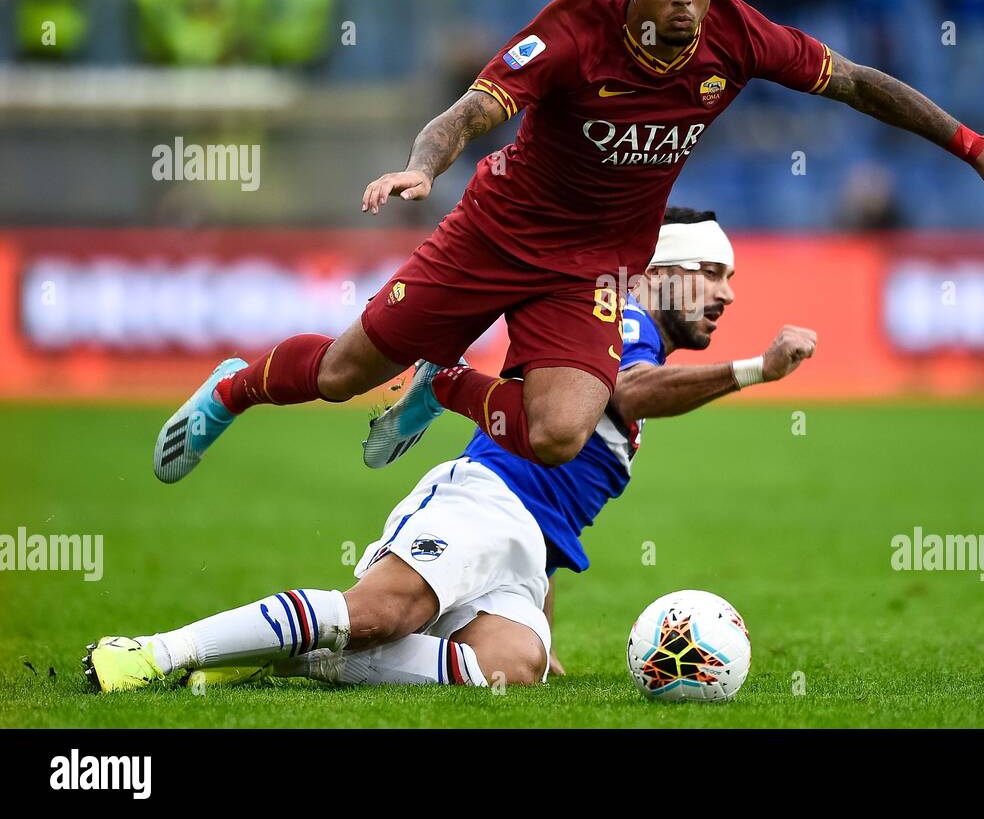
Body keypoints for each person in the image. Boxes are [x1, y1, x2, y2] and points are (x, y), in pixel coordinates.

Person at [152, 0, 984, 486]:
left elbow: (860, 82)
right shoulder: (573, 31)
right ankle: (233, 390)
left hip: (591, 264)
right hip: (493, 234)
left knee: (561, 433)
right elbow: (471, 110)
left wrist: (975, 148)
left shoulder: (739, 37)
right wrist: (422, 168)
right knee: (348, 370)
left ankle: (452, 382)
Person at [94, 208, 816, 691]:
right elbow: (630, 391)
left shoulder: (629, 328)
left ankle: (278, 654)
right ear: (662, 273)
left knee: (513, 667)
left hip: (524, 541)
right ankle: (158, 652)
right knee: (380, 614)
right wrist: (754, 370)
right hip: (482, 501)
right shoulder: (622, 319)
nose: (725, 295)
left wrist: (545, 614)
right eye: (713, 275)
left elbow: (559, 488)